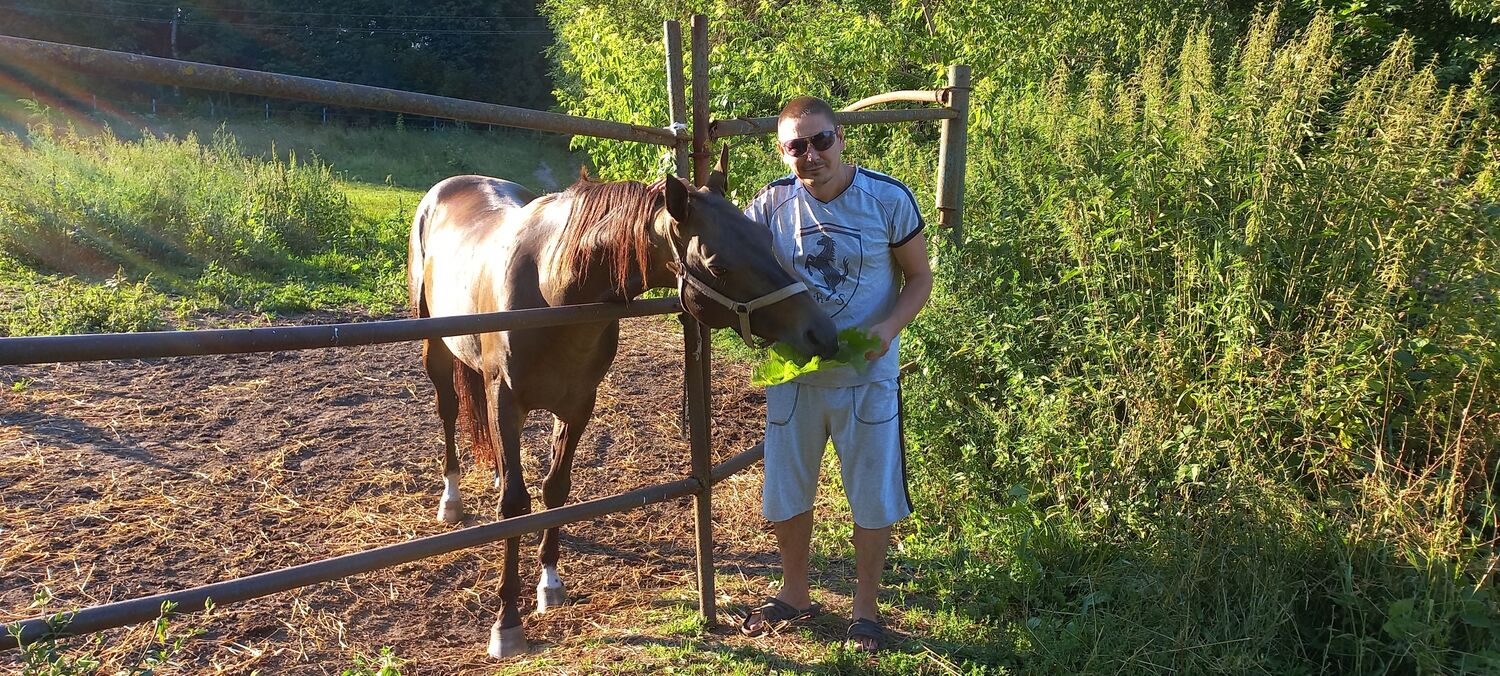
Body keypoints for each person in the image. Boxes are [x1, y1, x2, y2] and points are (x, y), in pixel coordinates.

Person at [738, 96, 933, 653]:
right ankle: (795, 592)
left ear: (840, 138)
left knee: (872, 495)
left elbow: (919, 277)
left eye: (821, 140)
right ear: (782, 152)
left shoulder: (888, 199)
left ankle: (865, 610)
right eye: (795, 145)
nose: (810, 154)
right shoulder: (770, 205)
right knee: (786, 490)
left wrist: (888, 328)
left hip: (866, 376)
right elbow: (738, 263)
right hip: (794, 375)